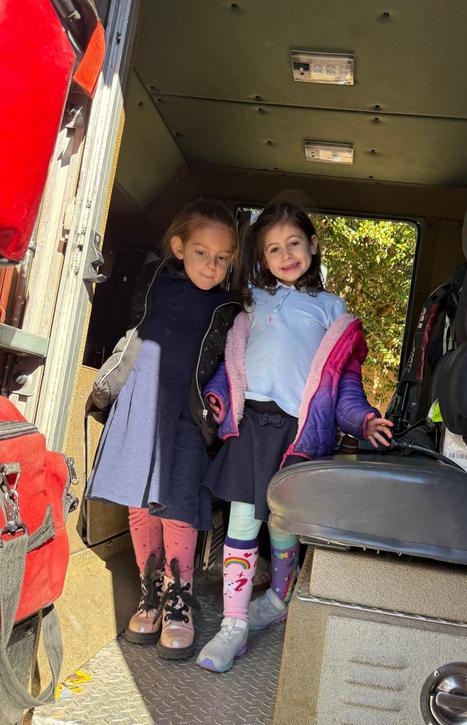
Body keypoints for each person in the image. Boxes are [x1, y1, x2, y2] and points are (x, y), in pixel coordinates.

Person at [197, 200, 393, 672]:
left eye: (294, 244)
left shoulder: (332, 310)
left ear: (313, 246)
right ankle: (234, 624)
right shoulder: (252, 303)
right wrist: (218, 398)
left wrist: (363, 419)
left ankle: (279, 601)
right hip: (250, 427)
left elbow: (341, 384)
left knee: (284, 524)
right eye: (273, 249)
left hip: (297, 434)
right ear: (261, 258)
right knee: (244, 524)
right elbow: (231, 363)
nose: (285, 255)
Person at [86, 198, 240, 659]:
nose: (211, 266)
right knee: (141, 504)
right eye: (200, 252)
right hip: (142, 402)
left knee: (178, 507)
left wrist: (219, 405)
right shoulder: (152, 281)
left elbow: (230, 368)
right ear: (177, 247)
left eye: (222, 258)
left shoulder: (231, 307)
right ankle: (151, 594)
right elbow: (132, 334)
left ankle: (179, 602)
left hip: (188, 413)